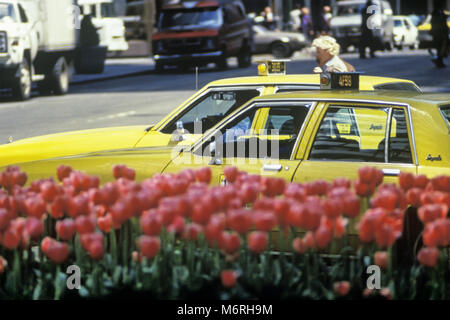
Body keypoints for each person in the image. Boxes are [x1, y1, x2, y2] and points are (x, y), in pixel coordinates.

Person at [430, 0, 449, 68]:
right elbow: (435, 24)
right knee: (439, 48)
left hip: (443, 34)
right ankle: (439, 61)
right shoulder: (435, 14)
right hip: (438, 34)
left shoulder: (442, 13)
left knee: (442, 48)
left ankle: (440, 61)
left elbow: (444, 24)